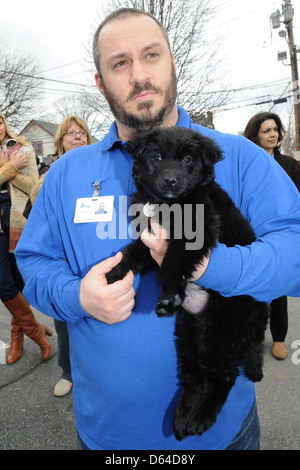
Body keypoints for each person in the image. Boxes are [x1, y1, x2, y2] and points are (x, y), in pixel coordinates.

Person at [15, 9, 300, 450]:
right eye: (120, 63)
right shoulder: (67, 173)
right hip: (106, 435)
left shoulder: (237, 156)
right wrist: (78, 298)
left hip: (225, 436)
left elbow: (296, 254)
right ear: (100, 81)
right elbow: (33, 266)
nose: (139, 75)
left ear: (172, 62)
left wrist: (211, 264)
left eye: (151, 55)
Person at [26, 115, 93, 396]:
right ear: (60, 141)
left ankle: (95, 371)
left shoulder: (100, 169)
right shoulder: (50, 176)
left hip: (96, 255)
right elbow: (34, 217)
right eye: (70, 133)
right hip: (64, 262)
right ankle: (67, 370)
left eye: (82, 133)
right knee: (65, 320)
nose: (77, 137)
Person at [244, 112, 300, 360]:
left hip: (281, 233)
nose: (273, 134)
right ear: (255, 133)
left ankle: (279, 338)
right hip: (251, 231)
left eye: (275, 129)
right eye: (266, 130)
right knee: (253, 286)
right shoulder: (247, 162)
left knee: (279, 286)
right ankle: (253, 334)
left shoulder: (289, 164)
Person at [0, 111, 53, 364]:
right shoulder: (13, 158)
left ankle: (17, 337)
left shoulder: (22, 147)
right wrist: (10, 167)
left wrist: (8, 172)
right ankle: (37, 333)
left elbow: (33, 184)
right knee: (3, 283)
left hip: (17, 219)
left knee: (18, 282)